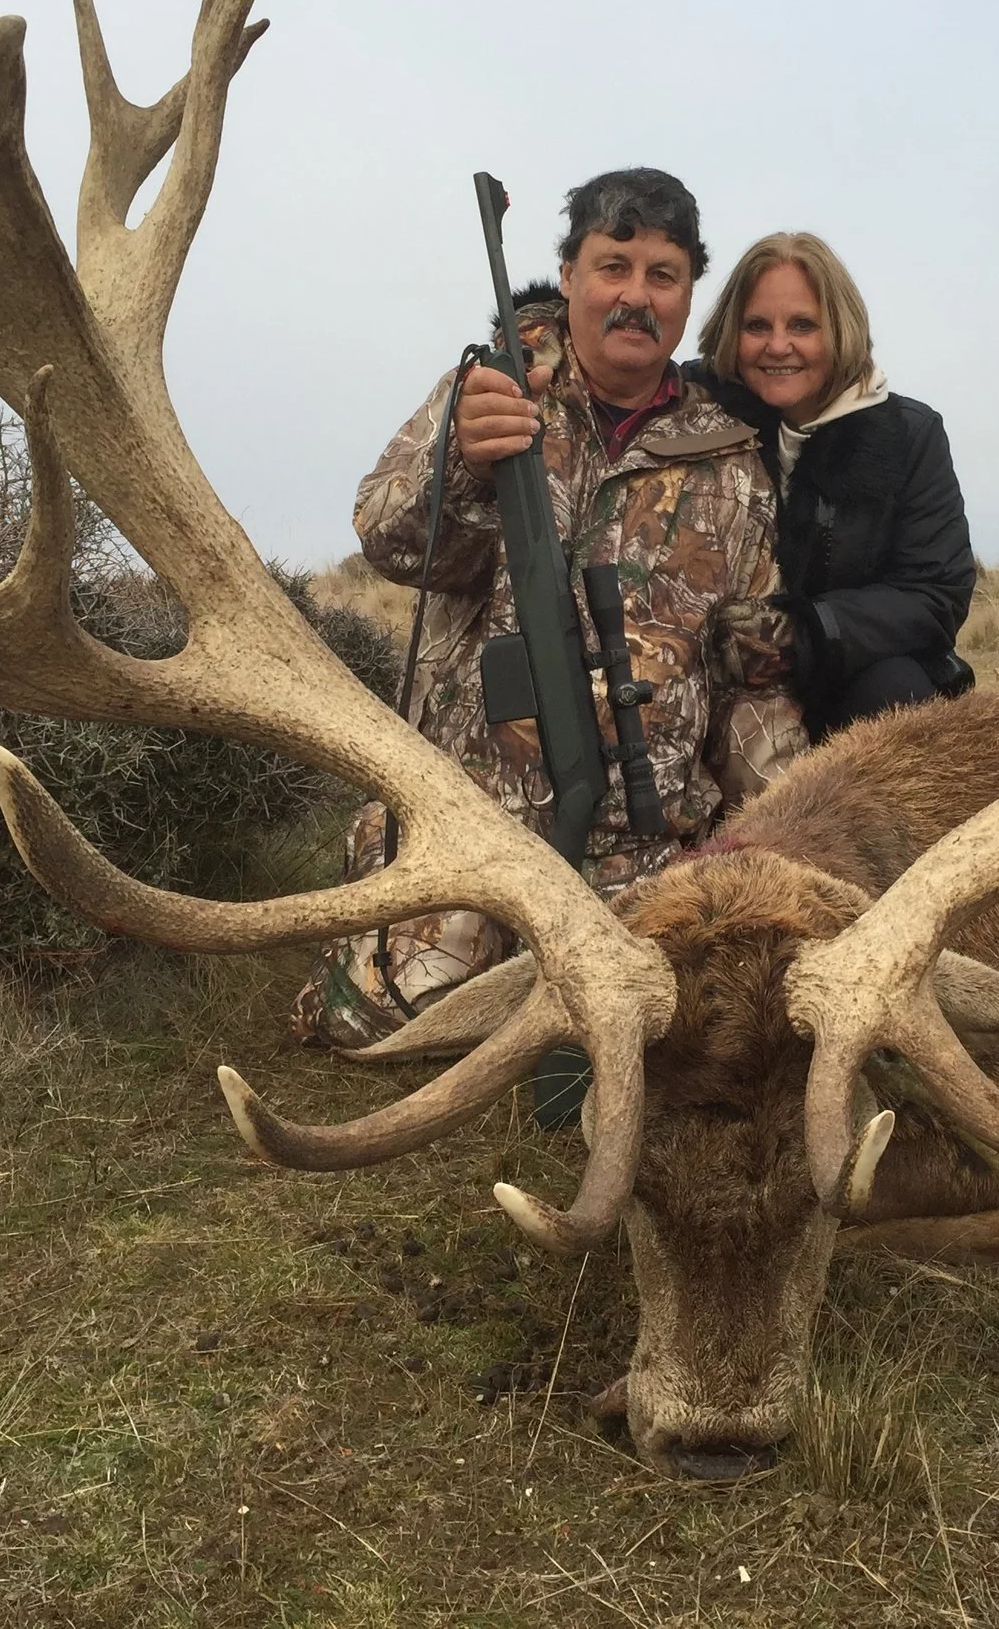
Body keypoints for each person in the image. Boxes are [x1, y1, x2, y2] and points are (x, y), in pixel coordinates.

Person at [295, 169, 803, 1047]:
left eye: (663, 274)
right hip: (471, 826)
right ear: (568, 274)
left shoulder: (734, 464)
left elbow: (750, 687)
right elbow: (384, 538)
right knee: (377, 1022)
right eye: (614, 266)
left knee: (718, 1037)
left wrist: (785, 830)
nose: (634, 296)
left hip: (649, 854)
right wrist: (461, 462)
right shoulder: (490, 390)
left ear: (688, 297)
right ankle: (411, 894)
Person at [693, 232, 975, 744]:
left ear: (839, 329)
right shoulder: (692, 414)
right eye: (757, 326)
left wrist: (804, 633)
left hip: (843, 685)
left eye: (802, 325)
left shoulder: (911, 435)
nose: (778, 346)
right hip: (712, 681)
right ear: (730, 333)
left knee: (897, 692)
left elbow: (935, 594)